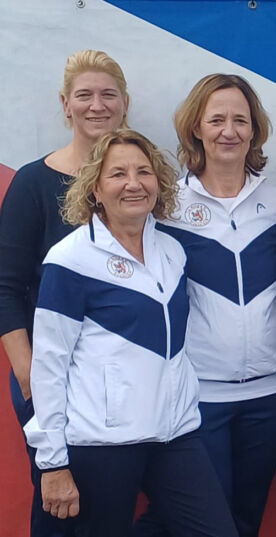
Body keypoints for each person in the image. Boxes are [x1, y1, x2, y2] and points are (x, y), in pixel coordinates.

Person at [22, 129, 238, 537]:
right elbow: (49, 366)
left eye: (143, 172)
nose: (134, 183)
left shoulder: (172, 252)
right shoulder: (69, 260)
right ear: (96, 189)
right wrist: (52, 462)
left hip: (174, 434)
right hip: (102, 444)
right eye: (118, 174)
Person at [138, 74, 276, 537]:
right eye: (217, 120)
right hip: (200, 395)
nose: (229, 131)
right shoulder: (167, 208)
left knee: (247, 519)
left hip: (270, 393)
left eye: (240, 120)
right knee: (203, 522)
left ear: (255, 130)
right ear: (196, 128)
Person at [0, 49, 128, 536]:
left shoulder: (138, 181)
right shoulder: (34, 183)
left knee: (110, 510)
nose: (97, 105)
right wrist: (29, 375)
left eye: (108, 95)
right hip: (52, 381)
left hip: (121, 384)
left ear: (125, 103)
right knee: (58, 507)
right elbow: (6, 286)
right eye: (84, 95)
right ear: (65, 104)